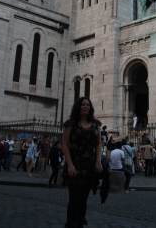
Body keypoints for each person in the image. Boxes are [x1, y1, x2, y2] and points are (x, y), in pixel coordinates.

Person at [62, 97, 102, 228]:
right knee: (74, 199)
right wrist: (70, 165)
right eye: (83, 104)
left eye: (87, 105)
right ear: (78, 107)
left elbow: (98, 144)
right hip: (75, 164)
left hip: (88, 166)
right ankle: (71, 224)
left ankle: (79, 223)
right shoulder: (70, 124)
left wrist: (98, 161)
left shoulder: (96, 124)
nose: (85, 107)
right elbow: (65, 144)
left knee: (84, 199)